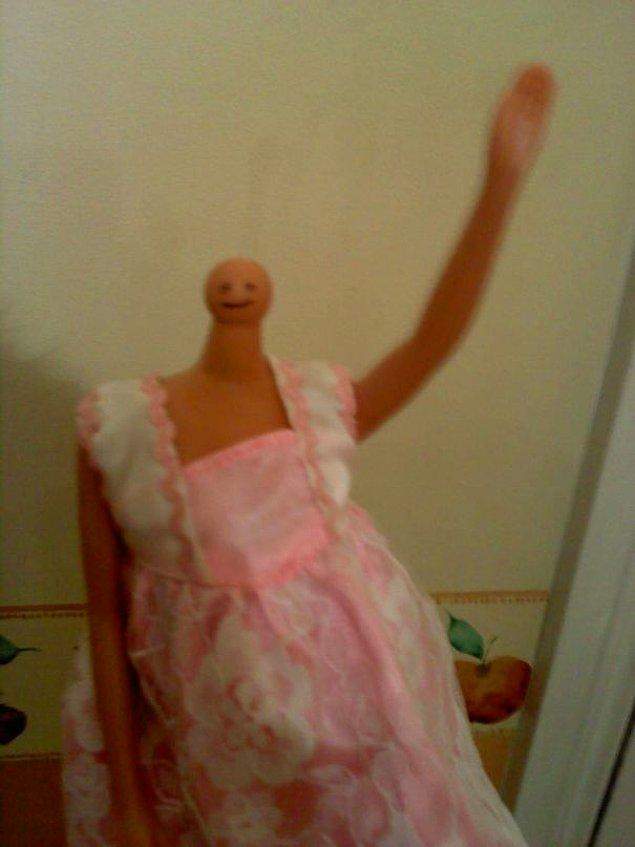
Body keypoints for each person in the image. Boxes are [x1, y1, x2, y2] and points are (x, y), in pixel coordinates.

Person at [60, 63, 556, 846]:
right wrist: (126, 798)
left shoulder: (318, 410)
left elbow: (430, 342)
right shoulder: (115, 426)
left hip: (360, 742)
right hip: (211, 762)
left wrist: (498, 188)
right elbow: (104, 614)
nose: (235, 285)